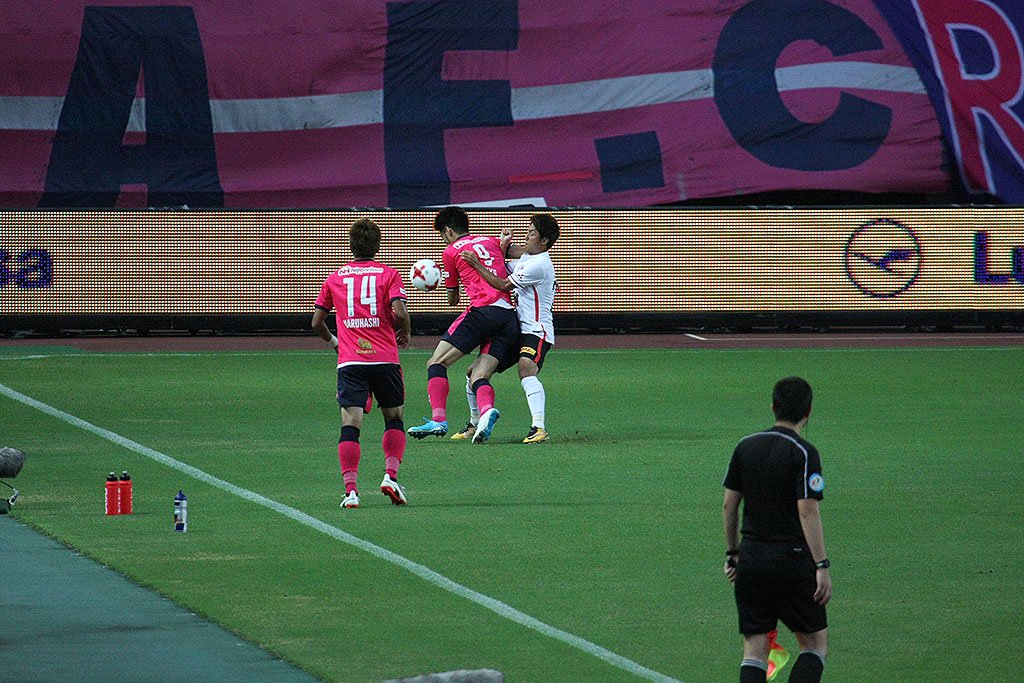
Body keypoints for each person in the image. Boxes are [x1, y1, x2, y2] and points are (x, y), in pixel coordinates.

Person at [722, 376, 832, 683]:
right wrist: (821, 565)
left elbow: (729, 506)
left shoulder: (745, 446)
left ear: (773, 407)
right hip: (792, 562)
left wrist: (733, 554)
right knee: (814, 645)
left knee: (755, 650)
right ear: (808, 411)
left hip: (752, 560)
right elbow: (807, 510)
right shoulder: (804, 453)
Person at [311, 218, 412, 508]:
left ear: (351, 246)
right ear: (377, 246)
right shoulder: (389, 274)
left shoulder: (335, 277)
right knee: (394, 418)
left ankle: (351, 491)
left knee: (350, 425)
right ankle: (390, 476)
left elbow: (316, 321)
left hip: (351, 362)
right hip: (385, 359)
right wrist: (405, 331)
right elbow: (400, 311)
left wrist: (334, 341)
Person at [407, 206, 519, 444]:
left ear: (448, 231)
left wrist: (435, 282)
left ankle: (438, 420)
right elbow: (511, 254)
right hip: (508, 318)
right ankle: (487, 412)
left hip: (482, 312)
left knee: (436, 362)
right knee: (478, 375)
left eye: (442, 235)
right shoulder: (491, 240)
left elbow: (453, 299)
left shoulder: (451, 251)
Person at [455, 213, 559, 444]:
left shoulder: (539, 265)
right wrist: (503, 245)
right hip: (516, 329)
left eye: (531, 233)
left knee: (526, 368)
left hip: (536, 331)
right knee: (474, 372)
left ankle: (539, 427)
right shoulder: (528, 259)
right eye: (528, 231)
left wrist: (476, 263)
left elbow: (502, 283)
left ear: (544, 241)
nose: (526, 236)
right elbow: (502, 265)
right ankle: (474, 423)